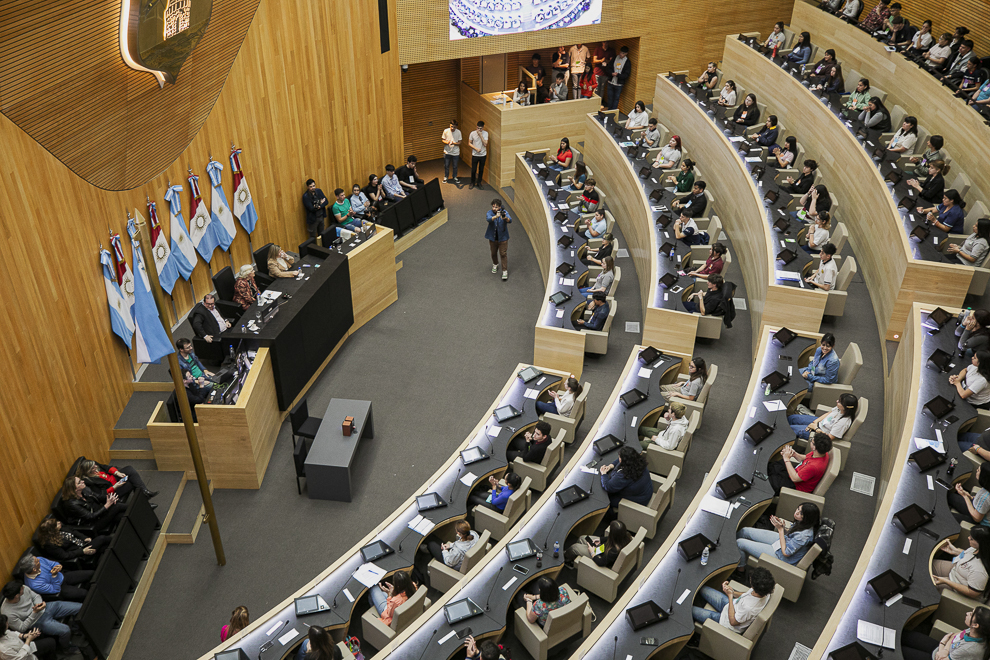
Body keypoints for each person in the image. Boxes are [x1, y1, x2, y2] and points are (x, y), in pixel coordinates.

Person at [735, 503, 821, 572]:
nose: (797, 512)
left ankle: (740, 570)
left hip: (782, 556)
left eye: (801, 513)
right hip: (785, 541)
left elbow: (786, 552)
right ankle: (732, 549)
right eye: (798, 509)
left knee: (740, 543)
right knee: (745, 531)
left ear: (807, 518)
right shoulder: (805, 523)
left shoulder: (804, 536)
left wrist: (780, 530)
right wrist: (782, 526)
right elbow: (792, 534)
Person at [1, 582, 79, 654]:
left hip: (46, 608)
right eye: (21, 589)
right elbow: (21, 628)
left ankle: (76, 629)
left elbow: (36, 596)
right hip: (37, 621)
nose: (24, 588)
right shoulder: (7, 612)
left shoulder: (23, 587)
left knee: (80, 608)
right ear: (17, 595)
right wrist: (34, 613)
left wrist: (39, 604)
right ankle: (66, 649)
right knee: (65, 630)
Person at [691, 567, 776, 633]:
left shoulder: (749, 608)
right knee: (701, 587)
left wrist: (730, 597)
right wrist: (732, 592)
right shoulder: (765, 592)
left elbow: (733, 621)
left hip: (726, 622)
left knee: (690, 610)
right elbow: (746, 595)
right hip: (732, 606)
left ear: (754, 586)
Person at [901, 606, 990, 660]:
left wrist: (943, 642)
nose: (967, 613)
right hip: (941, 649)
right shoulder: (975, 632)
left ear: (975, 625)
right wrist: (945, 650)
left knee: (900, 650)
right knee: (903, 635)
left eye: (971, 614)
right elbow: (953, 636)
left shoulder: (969, 649)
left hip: (936, 657)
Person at [932, 528, 990, 600]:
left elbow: (972, 592)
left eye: (972, 538)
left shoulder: (980, 571)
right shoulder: (980, 550)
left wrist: (946, 581)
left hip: (957, 589)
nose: (968, 538)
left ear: (981, 544)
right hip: (956, 570)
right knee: (927, 565)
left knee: (929, 585)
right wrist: (955, 551)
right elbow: (969, 554)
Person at [767, 432, 833, 494]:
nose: (811, 441)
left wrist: (786, 459)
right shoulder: (821, 453)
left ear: (814, 447)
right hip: (797, 472)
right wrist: (794, 454)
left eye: (812, 441)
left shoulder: (814, 466)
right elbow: (805, 458)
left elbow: (794, 478)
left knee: (771, 481)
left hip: (796, 485)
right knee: (773, 466)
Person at [57, 476, 124, 533]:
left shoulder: (85, 490)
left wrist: (111, 498)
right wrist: (107, 505)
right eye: (79, 482)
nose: (83, 481)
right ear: (75, 489)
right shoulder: (71, 504)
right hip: (93, 522)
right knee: (117, 506)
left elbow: (99, 497)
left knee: (121, 515)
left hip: (100, 513)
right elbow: (90, 516)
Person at [36, 519, 108, 569]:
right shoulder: (50, 544)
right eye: (56, 524)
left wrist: (84, 538)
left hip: (84, 544)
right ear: (52, 531)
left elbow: (73, 531)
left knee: (104, 547)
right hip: (80, 554)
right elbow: (65, 556)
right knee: (102, 538)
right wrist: (82, 551)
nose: (59, 522)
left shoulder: (61, 528)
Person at [15, 556, 90, 604]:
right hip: (61, 588)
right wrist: (54, 576)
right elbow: (56, 589)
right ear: (34, 569)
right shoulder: (34, 584)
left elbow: (53, 563)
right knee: (84, 593)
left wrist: (58, 566)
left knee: (91, 574)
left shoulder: (39, 559)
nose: (38, 559)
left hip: (62, 576)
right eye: (37, 562)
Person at [77, 458, 158, 501]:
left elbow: (106, 467)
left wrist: (117, 473)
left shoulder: (96, 467)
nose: (96, 467)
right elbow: (102, 494)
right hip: (113, 490)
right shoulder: (89, 481)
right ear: (88, 471)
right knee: (132, 482)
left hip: (114, 479)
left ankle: (144, 491)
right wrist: (115, 486)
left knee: (129, 469)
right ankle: (144, 499)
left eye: (95, 465)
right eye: (93, 467)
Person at [564, 520, 633, 568]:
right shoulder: (626, 536)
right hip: (603, 549)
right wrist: (600, 539)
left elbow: (601, 562)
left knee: (574, 548)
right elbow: (611, 538)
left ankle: (566, 558)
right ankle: (573, 557)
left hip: (600, 557)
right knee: (582, 538)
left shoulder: (613, 552)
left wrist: (592, 552)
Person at [789, 392, 858, 441]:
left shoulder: (843, 422)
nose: (836, 401)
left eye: (839, 401)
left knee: (790, 429)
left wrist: (815, 428)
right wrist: (815, 422)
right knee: (792, 418)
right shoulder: (840, 408)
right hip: (819, 423)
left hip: (819, 434)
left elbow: (829, 438)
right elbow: (829, 413)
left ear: (846, 407)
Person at [485, 199, 511, 281]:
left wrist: (505, 218)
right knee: (493, 253)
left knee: (503, 254)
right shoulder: (490, 212)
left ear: (500, 207)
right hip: (493, 238)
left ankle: (504, 271)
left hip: (503, 238)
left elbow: (510, 220)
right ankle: (495, 264)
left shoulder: (504, 212)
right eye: (493, 206)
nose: (494, 208)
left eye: (496, 207)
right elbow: (488, 219)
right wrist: (495, 216)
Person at [605, 46, 631, 110]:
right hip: (611, 81)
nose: (621, 54)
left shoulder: (627, 62)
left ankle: (613, 112)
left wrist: (618, 75)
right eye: (620, 52)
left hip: (619, 84)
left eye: (623, 53)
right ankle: (609, 110)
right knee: (610, 97)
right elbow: (608, 68)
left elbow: (626, 74)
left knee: (616, 98)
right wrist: (611, 73)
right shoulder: (615, 58)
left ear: (626, 54)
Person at [469, 121, 489, 190]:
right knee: (473, 170)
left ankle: (479, 183)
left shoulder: (485, 133)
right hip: (475, 154)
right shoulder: (472, 133)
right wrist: (475, 148)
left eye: (480, 128)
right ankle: (472, 182)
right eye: (478, 128)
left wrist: (480, 135)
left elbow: (485, 144)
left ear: (483, 127)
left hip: (483, 155)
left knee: (481, 169)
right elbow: (469, 143)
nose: (479, 130)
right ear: (476, 127)